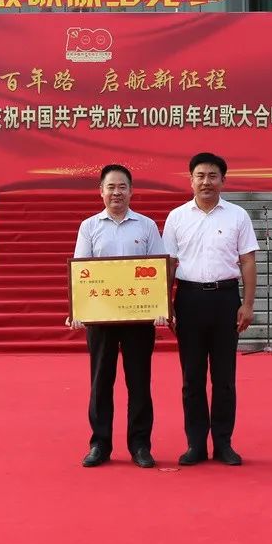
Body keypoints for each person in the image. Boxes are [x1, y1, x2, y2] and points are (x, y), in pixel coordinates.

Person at [67, 164, 166, 468]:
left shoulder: (146, 226)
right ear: (101, 191)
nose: (116, 192)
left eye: (122, 187)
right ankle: (100, 443)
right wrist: (78, 311)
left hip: (138, 318)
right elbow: (82, 270)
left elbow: (159, 270)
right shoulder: (89, 226)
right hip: (101, 317)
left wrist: (161, 307)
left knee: (139, 382)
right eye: (111, 187)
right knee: (101, 382)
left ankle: (140, 445)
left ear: (131, 191)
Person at [162, 152, 259, 466]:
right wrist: (166, 304)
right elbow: (169, 264)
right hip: (188, 300)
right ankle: (195, 444)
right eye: (200, 176)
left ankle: (223, 443)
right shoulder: (177, 217)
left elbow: (247, 261)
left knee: (224, 377)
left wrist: (247, 304)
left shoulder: (237, 216)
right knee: (192, 377)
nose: (206, 182)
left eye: (212, 176)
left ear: (223, 180)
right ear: (191, 180)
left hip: (225, 300)